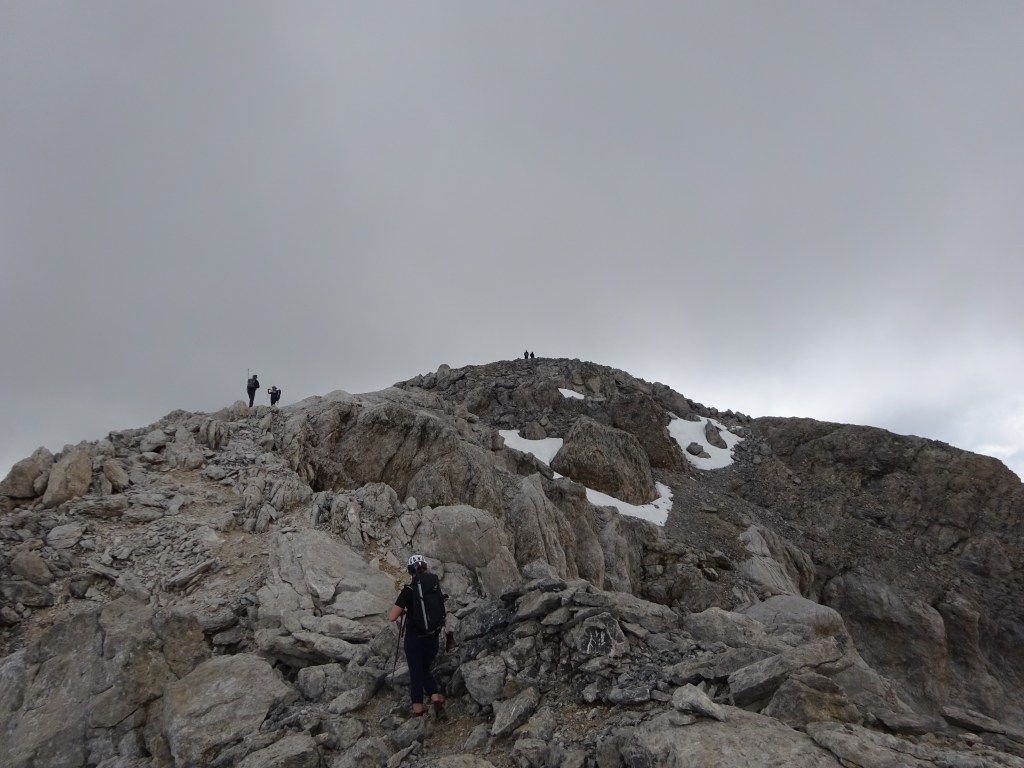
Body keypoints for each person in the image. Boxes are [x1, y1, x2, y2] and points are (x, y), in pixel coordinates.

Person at [388, 554, 446, 718]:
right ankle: (437, 702)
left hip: (414, 640)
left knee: (416, 676)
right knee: (424, 669)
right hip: (433, 638)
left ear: (409, 570)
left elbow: (392, 617)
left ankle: (418, 713)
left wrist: (405, 610)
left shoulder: (409, 590)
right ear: (425, 567)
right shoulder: (434, 586)